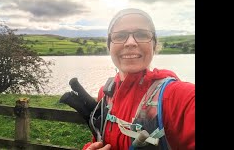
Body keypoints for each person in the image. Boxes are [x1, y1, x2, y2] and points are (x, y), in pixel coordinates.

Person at [82, 8, 195, 150]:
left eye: (141, 35)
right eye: (120, 35)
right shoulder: (106, 94)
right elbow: (98, 141)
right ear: (109, 46)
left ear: (154, 45)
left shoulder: (179, 97)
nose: (130, 42)